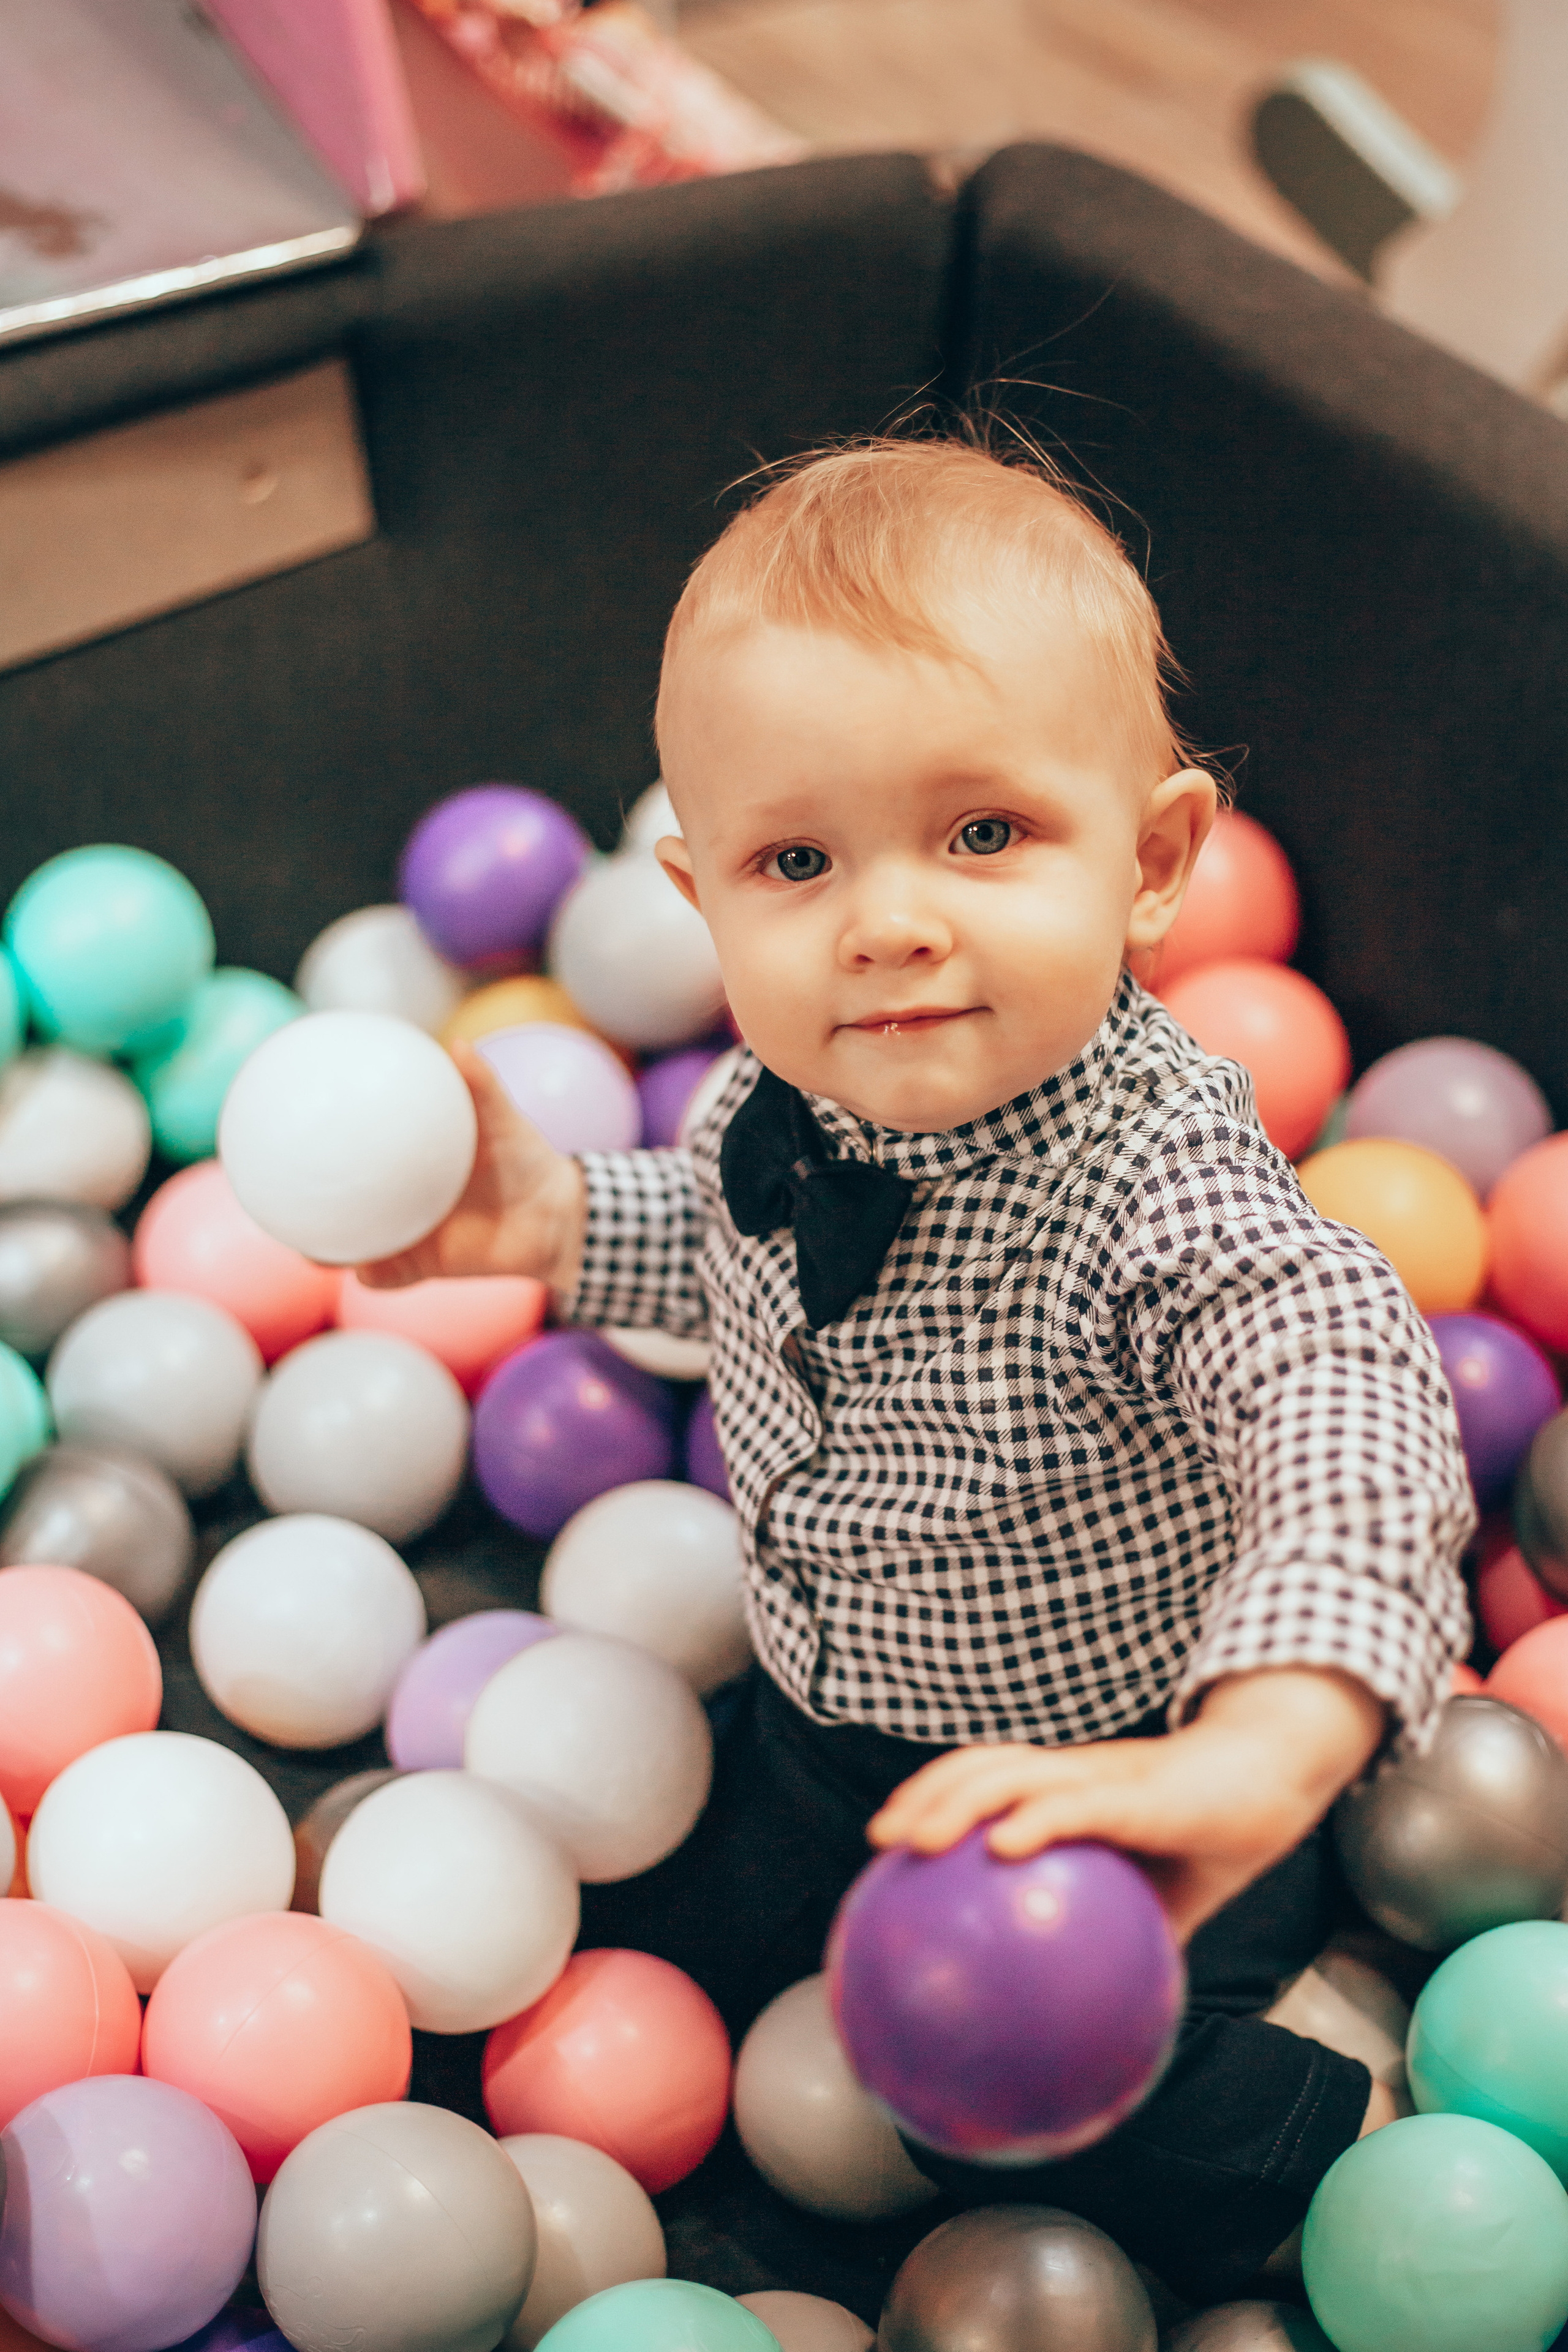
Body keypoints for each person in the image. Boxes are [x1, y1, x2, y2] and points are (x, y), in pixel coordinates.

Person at [363, 437, 1472, 2298]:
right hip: (831, 1725)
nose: (888, 920)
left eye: (983, 834)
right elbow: (740, 1263)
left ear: (1157, 862)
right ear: (702, 900)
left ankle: (1340, 2147)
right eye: (799, 859)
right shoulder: (780, 1097)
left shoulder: (1155, 1183)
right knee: (661, 1929)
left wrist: (1266, 1746)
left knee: (999, 2091)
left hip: (1116, 1772)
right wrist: (553, 1222)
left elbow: (1345, 1384)